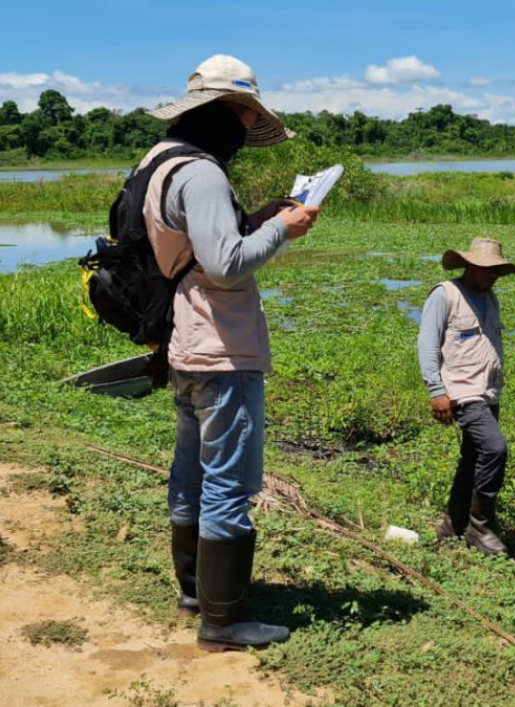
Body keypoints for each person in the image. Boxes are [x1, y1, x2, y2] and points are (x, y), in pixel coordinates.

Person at [144, 55, 319, 651]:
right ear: (222, 113)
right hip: (221, 347)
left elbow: (199, 244)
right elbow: (223, 264)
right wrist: (284, 230)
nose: (247, 128)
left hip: (185, 343)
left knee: (190, 470)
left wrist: (257, 219)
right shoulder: (204, 173)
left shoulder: (162, 163)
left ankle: (197, 591)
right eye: (245, 115)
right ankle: (223, 621)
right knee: (227, 480)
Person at [417, 238, 515, 556]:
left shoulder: (491, 298)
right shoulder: (445, 294)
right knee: (494, 448)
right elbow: (427, 344)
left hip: (488, 390)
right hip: (462, 393)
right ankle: (481, 528)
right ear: (469, 265)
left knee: (473, 458)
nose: (492, 276)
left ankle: (453, 524)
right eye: (486, 269)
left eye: (496, 271)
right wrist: (437, 391)